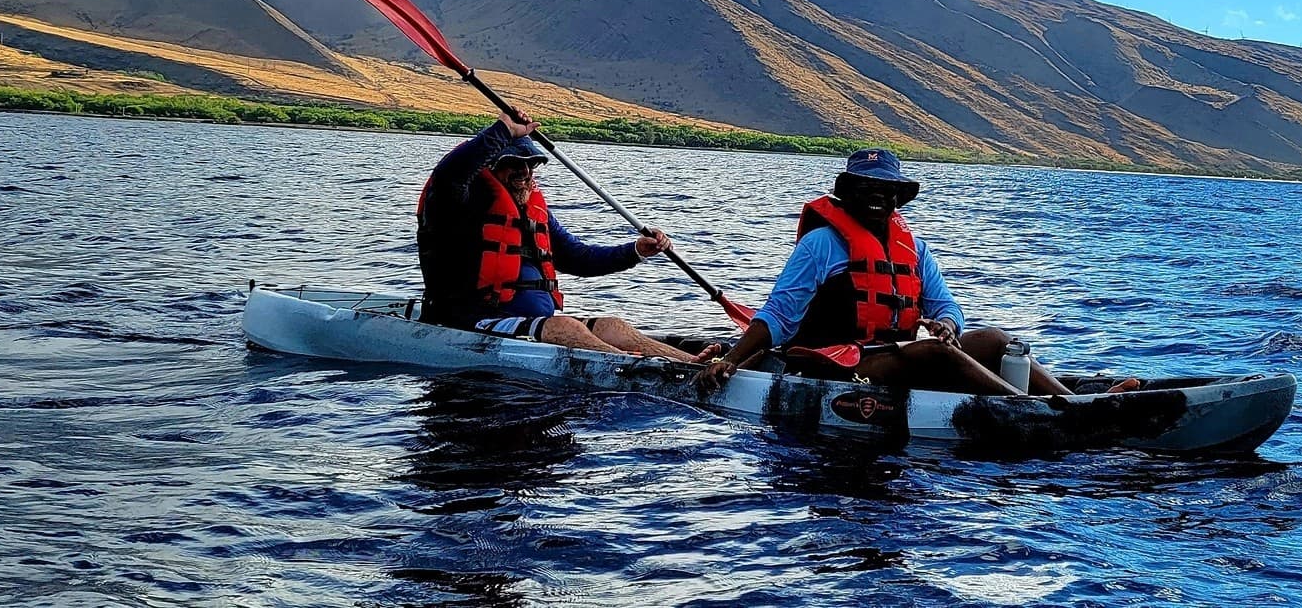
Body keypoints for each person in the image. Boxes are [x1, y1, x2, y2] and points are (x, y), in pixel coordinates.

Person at [697, 148, 1136, 395]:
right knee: (934, 354)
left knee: (998, 341)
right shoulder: (820, 245)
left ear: (897, 199)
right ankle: (1029, 413)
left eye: (886, 192)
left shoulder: (914, 247)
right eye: (867, 190)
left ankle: (1074, 404)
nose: (877, 199)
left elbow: (945, 305)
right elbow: (778, 315)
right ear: (848, 194)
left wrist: (946, 324)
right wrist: (731, 361)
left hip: (893, 354)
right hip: (833, 362)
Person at [416, 107, 716, 362]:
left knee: (613, 325)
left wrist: (635, 250)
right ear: (490, 169)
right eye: (513, 165)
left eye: (531, 166)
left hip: (531, 323)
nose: (525, 174)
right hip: (470, 321)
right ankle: (631, 367)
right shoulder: (455, 204)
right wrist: (502, 132)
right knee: (566, 328)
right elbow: (449, 174)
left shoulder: (533, 211)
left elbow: (579, 258)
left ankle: (692, 364)